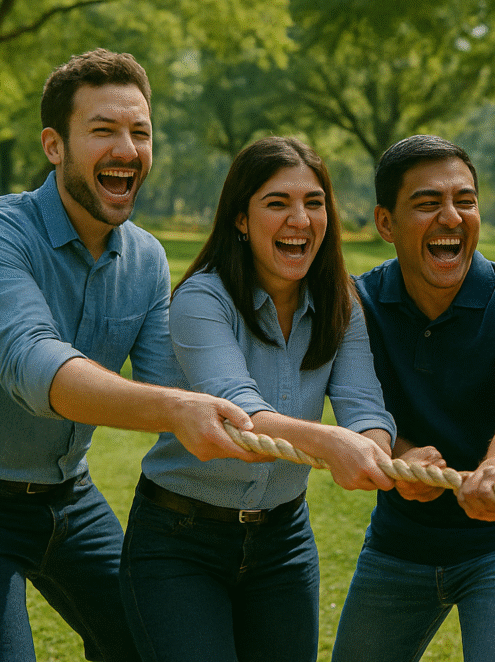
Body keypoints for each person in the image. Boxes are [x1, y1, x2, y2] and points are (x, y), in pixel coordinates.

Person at [0, 49, 260, 662]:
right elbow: (34, 364)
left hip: (69, 499)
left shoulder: (146, 258)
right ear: (54, 146)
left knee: (140, 643)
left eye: (140, 132)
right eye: (103, 131)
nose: (127, 149)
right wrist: (179, 408)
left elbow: (173, 379)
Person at [119, 136, 397, 662]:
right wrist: (334, 443)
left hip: (283, 547)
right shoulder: (202, 298)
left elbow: (365, 408)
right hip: (180, 543)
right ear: (241, 220)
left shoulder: (341, 303)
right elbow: (237, 414)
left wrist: (377, 450)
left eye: (314, 203)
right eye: (277, 203)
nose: (300, 219)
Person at [331, 135, 495, 662]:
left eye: (465, 200)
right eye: (427, 203)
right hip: (399, 543)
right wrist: (399, 456)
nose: (452, 217)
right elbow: (358, 410)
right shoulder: (358, 303)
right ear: (386, 223)